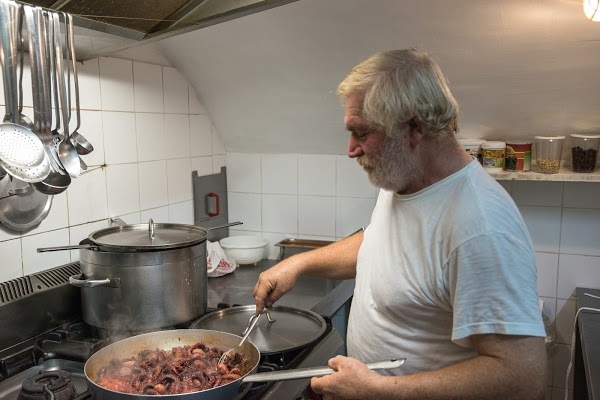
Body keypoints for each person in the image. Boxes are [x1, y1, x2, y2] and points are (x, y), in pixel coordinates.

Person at [252, 48, 547, 400]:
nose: (351, 149)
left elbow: (522, 376)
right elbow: (384, 248)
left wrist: (379, 391)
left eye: (361, 132)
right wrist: (298, 264)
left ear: (415, 127)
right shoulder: (405, 179)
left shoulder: (480, 227)